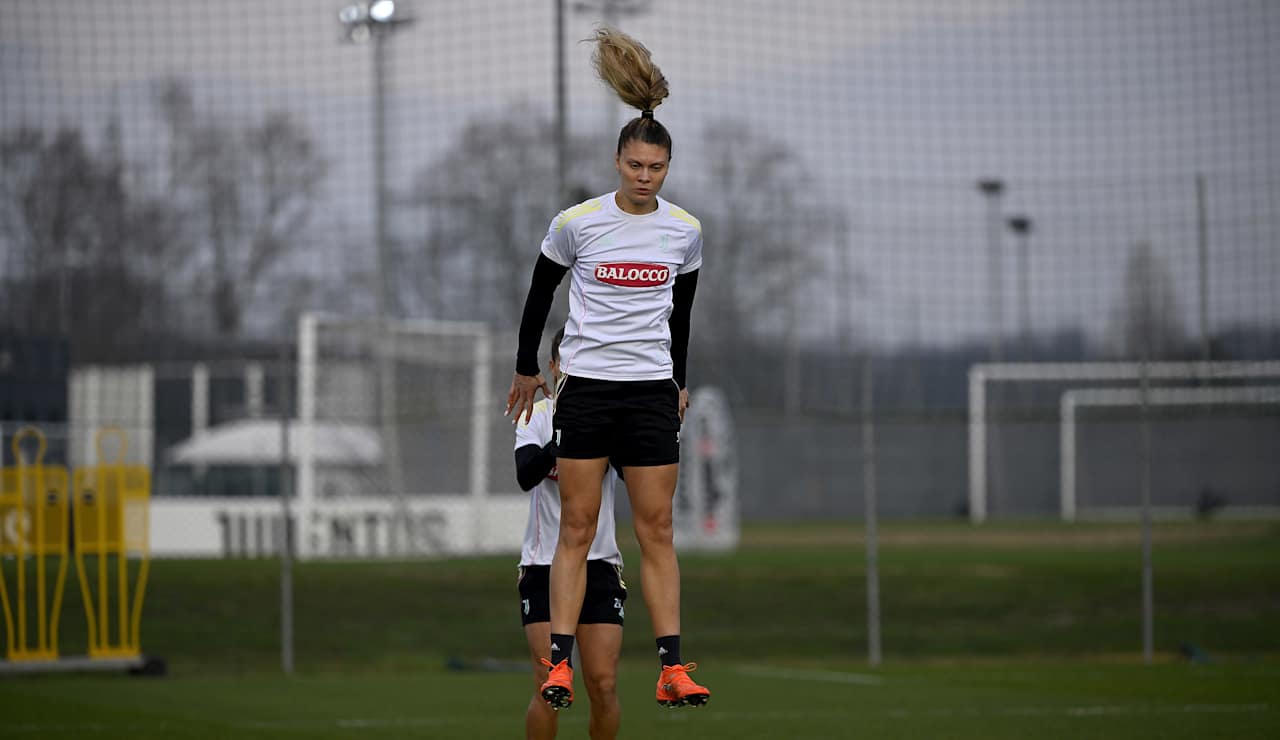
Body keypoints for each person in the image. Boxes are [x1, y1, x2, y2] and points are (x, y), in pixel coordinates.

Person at [505, 27, 710, 711]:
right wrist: (527, 366)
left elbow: (682, 315)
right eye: (634, 165)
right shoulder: (578, 223)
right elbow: (541, 292)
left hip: (650, 392)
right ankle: (558, 663)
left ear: (666, 169)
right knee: (577, 526)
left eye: (655, 168)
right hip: (587, 389)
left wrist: (680, 381)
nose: (644, 176)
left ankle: (673, 666)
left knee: (657, 529)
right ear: (618, 159)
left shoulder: (684, 231)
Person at [515, 327, 626, 740]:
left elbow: (633, 471)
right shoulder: (538, 415)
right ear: (554, 366)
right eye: (569, 360)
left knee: (603, 684)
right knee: (551, 688)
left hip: (598, 563)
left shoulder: (610, 418)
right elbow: (526, 475)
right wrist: (567, 439)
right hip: (544, 565)